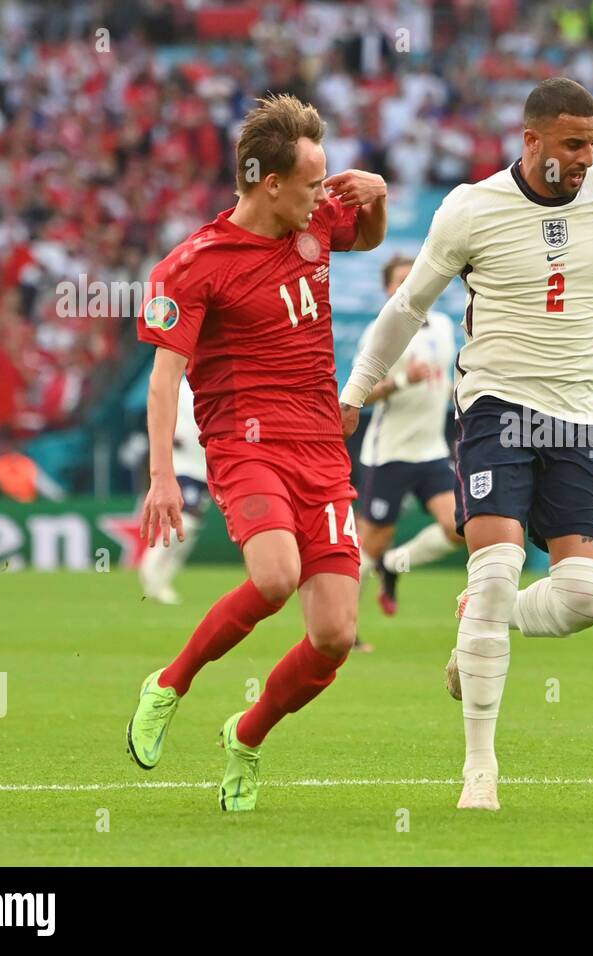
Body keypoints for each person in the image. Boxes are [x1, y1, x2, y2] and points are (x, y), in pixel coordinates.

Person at [338, 78, 593, 811]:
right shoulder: (471, 209)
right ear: (531, 141)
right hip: (496, 411)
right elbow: (407, 308)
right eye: (573, 143)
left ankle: (479, 618)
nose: (587, 156)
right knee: (497, 569)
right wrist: (355, 391)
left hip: (578, 424)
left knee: (585, 600)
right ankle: (479, 772)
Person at [127, 94, 387, 811]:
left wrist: (379, 199)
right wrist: (161, 479)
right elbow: (164, 378)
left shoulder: (317, 221)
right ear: (270, 183)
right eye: (313, 183)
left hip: (323, 448)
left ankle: (246, 735)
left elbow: (363, 237)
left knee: (335, 635)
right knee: (275, 577)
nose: (324, 196)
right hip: (247, 444)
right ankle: (170, 683)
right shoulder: (194, 265)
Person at [355, 255, 464, 618]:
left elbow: (446, 378)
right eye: (399, 280)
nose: (407, 286)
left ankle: (395, 564)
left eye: (411, 278)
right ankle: (341, 630)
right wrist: (403, 381)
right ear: (387, 289)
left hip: (430, 450)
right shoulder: (380, 333)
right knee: (369, 546)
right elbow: (358, 393)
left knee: (460, 527)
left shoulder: (444, 326)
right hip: (391, 452)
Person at [137, 375, 206, 605]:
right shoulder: (178, 387)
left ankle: (162, 580)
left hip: (206, 466)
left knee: (190, 528)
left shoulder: (211, 386)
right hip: (182, 465)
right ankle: (150, 568)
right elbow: (157, 411)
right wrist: (170, 437)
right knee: (184, 523)